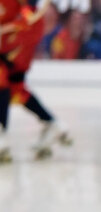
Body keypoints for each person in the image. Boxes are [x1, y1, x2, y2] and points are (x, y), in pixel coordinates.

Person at [0, 0, 72, 162]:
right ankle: (53, 124)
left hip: (22, 31)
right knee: (15, 88)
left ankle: (2, 137)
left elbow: (31, 10)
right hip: (14, 31)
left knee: (5, 79)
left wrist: (15, 24)